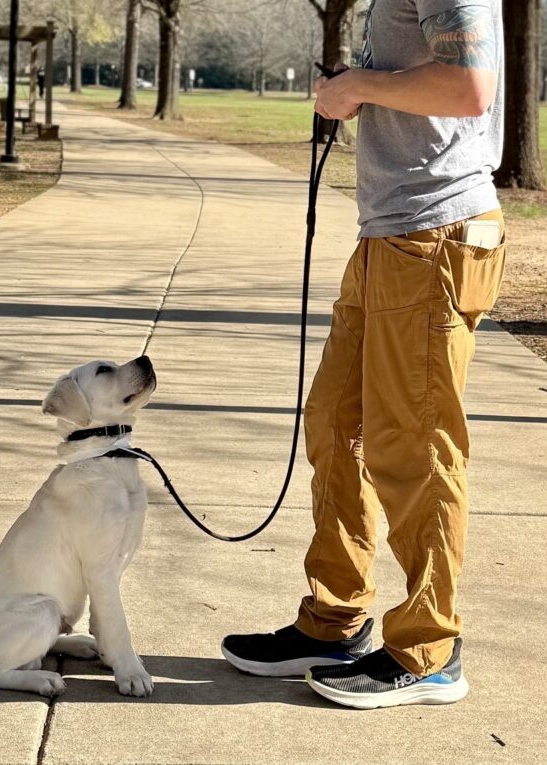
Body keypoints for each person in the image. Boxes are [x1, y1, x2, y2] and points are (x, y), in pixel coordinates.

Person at [221, 0, 507, 710]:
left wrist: (358, 86)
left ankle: (429, 648)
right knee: (334, 424)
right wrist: (357, 81)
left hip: (436, 233)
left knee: (412, 445)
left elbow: (470, 86)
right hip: (389, 234)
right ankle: (334, 619)